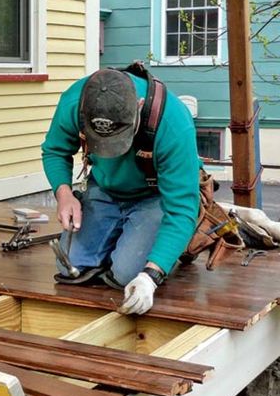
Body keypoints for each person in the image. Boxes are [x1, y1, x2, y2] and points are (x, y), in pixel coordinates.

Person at [41, 67, 201, 315]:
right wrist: (64, 194)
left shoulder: (173, 123)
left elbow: (181, 210)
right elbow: (54, 150)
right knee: (70, 266)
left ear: (139, 106)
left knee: (128, 274)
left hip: (155, 195)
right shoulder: (74, 101)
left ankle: (173, 241)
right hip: (104, 187)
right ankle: (124, 237)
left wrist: (150, 276)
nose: (109, 150)